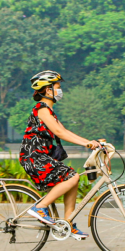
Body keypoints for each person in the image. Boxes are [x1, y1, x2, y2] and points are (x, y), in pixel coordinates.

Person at [22, 70, 101, 240]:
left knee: (73, 178)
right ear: (48, 90)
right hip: (34, 157)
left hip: (41, 156)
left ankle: (68, 223)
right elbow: (59, 132)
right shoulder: (42, 109)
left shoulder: (49, 111)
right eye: (58, 86)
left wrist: (89, 141)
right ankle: (40, 208)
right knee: (71, 177)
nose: (60, 90)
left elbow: (65, 131)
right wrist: (86, 143)